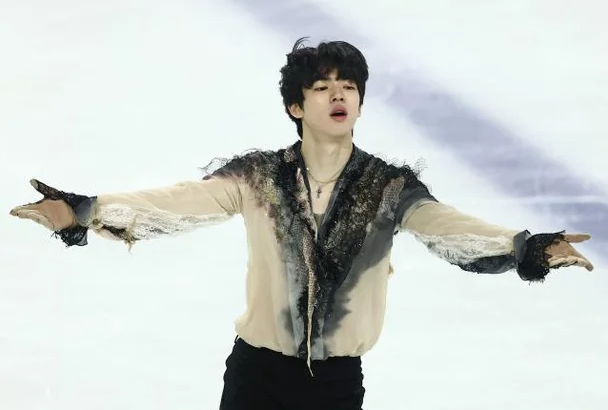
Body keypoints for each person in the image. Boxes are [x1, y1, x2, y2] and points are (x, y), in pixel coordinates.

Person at [9, 38, 594, 410]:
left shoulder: (388, 188)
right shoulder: (259, 178)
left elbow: (446, 227)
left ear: (360, 102)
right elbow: (179, 202)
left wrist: (525, 248)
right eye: (322, 87)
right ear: (296, 106)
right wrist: (85, 210)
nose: (339, 95)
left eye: (348, 87)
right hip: (256, 377)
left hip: (335, 386)